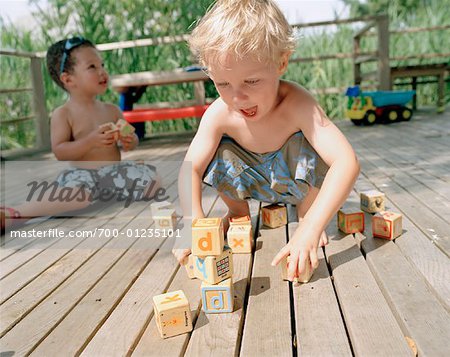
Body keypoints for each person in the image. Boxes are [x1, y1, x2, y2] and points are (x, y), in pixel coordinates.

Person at [173, 0, 360, 281]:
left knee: (317, 146)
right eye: (223, 84)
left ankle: (307, 213)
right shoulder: (219, 113)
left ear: (281, 62)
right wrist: (192, 222)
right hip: (248, 180)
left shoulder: (298, 105)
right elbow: (191, 168)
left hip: (296, 183)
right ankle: (238, 214)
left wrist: (311, 227)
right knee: (214, 150)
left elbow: (346, 161)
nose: (237, 97)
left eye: (251, 82)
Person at [1, 36, 159, 234]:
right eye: (92, 67)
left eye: (102, 64)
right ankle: (16, 213)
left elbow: (132, 141)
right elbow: (60, 151)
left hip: (112, 173)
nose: (102, 71)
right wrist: (90, 141)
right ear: (68, 79)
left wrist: (129, 140)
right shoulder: (63, 114)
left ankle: (95, 199)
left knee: (152, 181)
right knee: (77, 195)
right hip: (82, 176)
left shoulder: (112, 110)